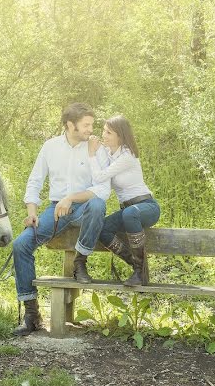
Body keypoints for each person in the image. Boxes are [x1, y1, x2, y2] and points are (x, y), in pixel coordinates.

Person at [12, 103, 111, 336]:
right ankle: (32, 314)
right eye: (86, 125)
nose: (90, 129)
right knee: (21, 245)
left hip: (85, 206)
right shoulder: (50, 147)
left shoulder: (96, 148)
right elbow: (35, 180)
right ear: (70, 125)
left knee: (98, 204)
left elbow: (103, 189)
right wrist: (32, 211)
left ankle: (80, 262)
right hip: (56, 209)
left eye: (91, 124)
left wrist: (71, 198)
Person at [88, 115, 160, 287]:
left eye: (109, 132)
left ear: (120, 136)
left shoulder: (127, 156)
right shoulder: (108, 153)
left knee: (129, 213)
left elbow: (99, 176)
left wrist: (91, 153)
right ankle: (138, 267)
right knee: (103, 229)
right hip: (129, 212)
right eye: (104, 131)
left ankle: (139, 272)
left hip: (146, 207)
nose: (103, 135)